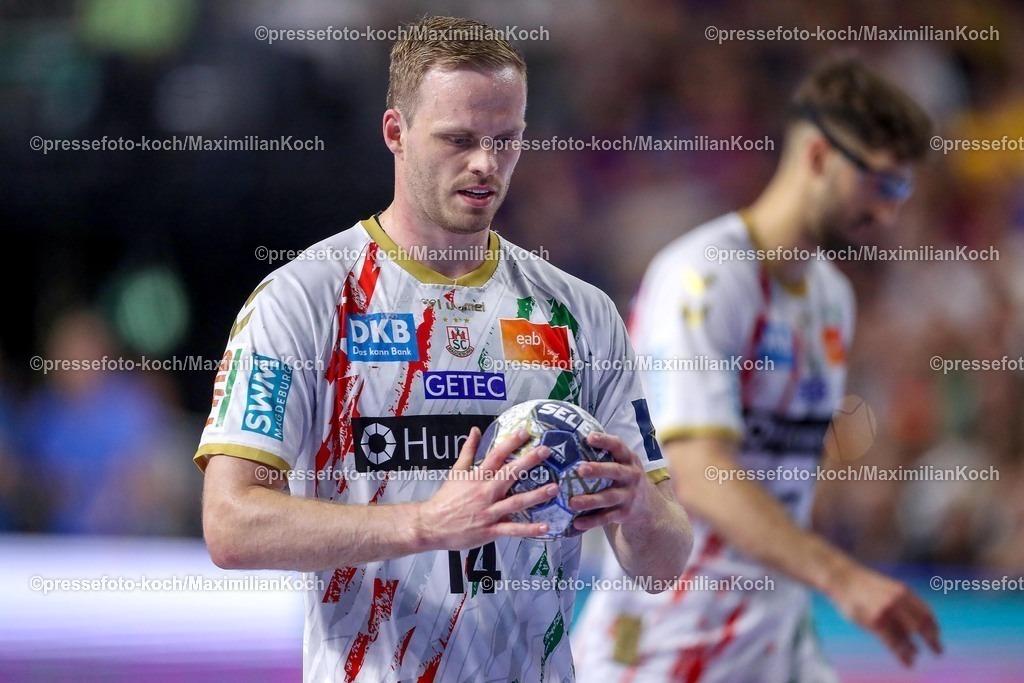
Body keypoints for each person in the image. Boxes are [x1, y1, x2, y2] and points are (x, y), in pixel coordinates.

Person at [195, 15, 692, 683]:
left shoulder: (581, 314)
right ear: (395, 133)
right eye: (458, 139)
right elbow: (231, 524)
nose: (486, 163)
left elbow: (663, 566)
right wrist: (426, 524)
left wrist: (638, 507)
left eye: (505, 140)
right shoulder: (304, 299)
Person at [573, 59, 943, 682]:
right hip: (667, 643)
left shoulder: (831, 296)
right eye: (881, 183)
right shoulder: (703, 279)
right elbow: (697, 473)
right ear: (819, 156)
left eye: (901, 191)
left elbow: (783, 472)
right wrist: (843, 577)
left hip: (775, 643)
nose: (889, 214)